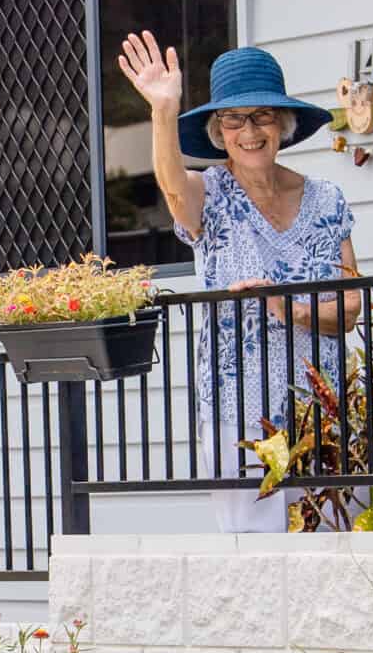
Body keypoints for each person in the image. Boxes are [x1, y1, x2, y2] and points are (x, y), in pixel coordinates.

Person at [117, 33, 359, 533]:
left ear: (284, 124)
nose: (249, 131)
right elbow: (171, 185)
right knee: (256, 553)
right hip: (240, 411)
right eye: (234, 119)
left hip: (324, 406)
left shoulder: (327, 199)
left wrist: (288, 308)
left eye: (262, 116)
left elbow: (352, 308)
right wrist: (163, 109)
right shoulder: (210, 193)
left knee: (338, 543)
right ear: (218, 130)